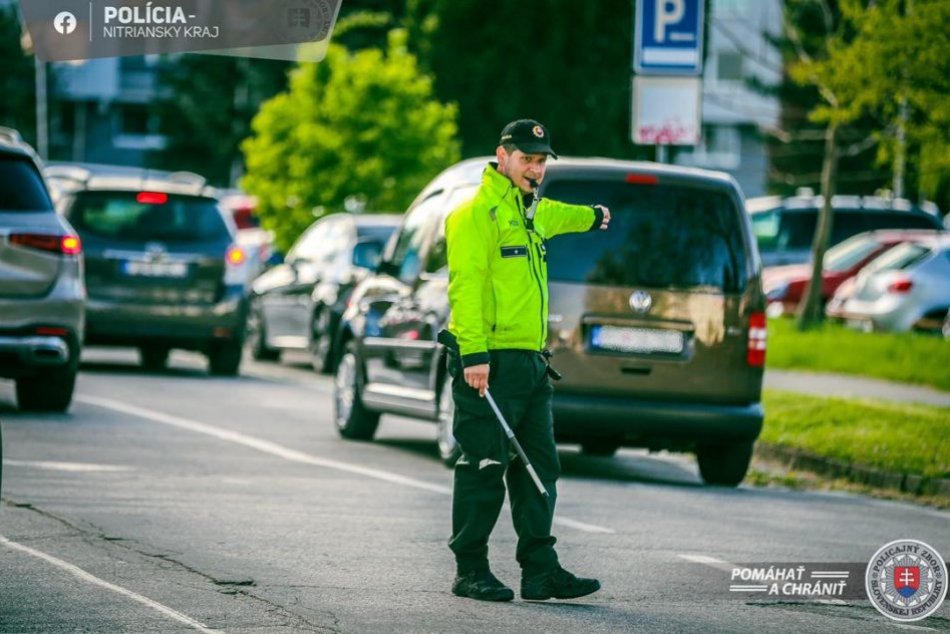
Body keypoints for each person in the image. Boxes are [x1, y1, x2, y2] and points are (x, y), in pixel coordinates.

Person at [444, 119, 610, 602]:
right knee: (483, 464)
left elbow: (562, 215)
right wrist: (473, 353)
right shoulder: (476, 213)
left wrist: (595, 215)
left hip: (532, 364)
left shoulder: (532, 213)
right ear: (503, 156)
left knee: (541, 469)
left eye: (540, 161)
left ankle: (540, 570)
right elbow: (466, 287)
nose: (535, 168)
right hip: (487, 363)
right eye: (526, 159)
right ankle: (470, 569)